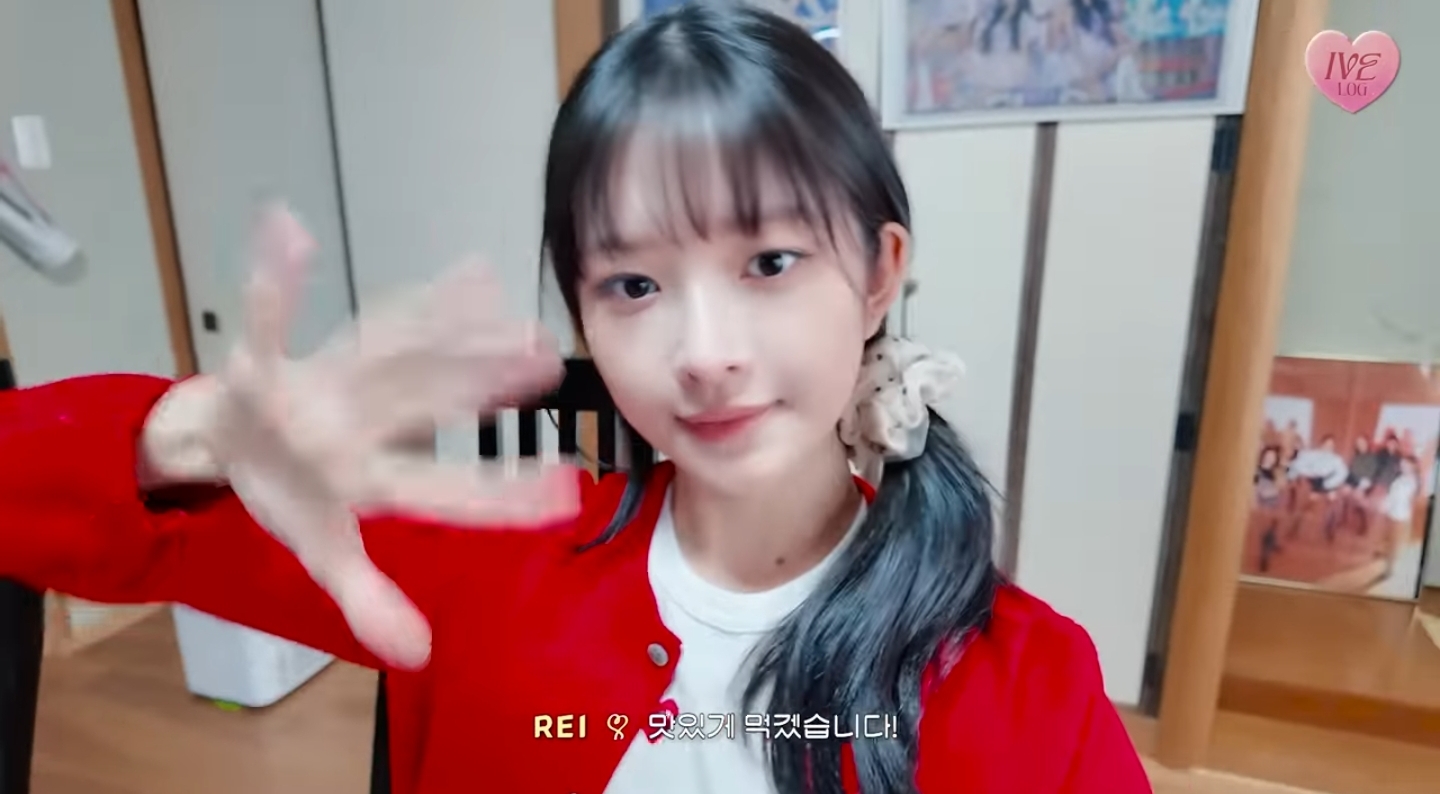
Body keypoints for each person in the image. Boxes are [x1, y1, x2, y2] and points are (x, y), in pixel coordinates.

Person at [0, 6, 1148, 793]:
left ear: (878, 273)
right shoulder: (478, 567)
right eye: (635, 284)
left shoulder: (1031, 686)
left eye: (769, 262)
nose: (705, 354)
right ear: (583, 313)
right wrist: (186, 430)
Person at [1378, 456, 1421, 579]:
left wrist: (1387, 505)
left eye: (1405, 465)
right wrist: (1385, 506)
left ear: (1412, 466)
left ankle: (1390, 569)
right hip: (1392, 513)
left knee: (1394, 544)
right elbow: (1392, 495)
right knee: (1390, 540)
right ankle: (1388, 558)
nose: (1402, 466)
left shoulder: (1411, 481)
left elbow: (1402, 499)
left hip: (1400, 516)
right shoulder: (1401, 478)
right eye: (1402, 464)